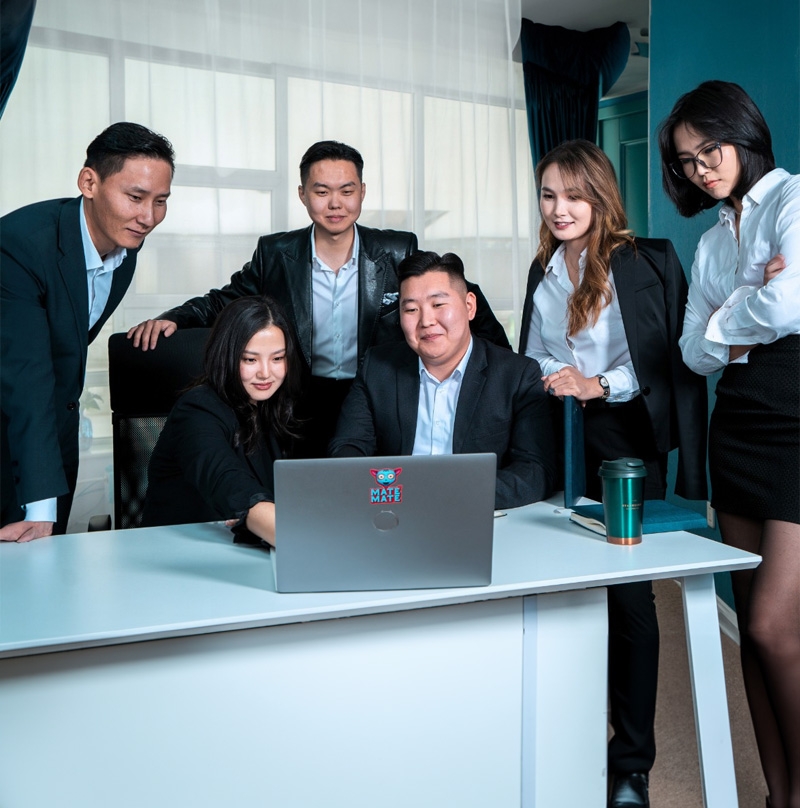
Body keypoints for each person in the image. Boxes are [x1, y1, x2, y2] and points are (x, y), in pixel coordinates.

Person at [519, 139, 707, 808]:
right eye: (549, 195)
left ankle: (631, 765)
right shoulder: (544, 268)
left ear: (599, 197)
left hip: (627, 441)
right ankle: (569, 742)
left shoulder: (646, 260)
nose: (559, 208)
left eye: (573, 195)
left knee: (629, 601)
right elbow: (534, 354)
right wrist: (559, 377)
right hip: (562, 440)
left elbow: (661, 360)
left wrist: (597, 384)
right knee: (564, 590)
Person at [128, 140, 509, 456]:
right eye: (322, 192)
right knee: (311, 491)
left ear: (362, 192)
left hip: (377, 395)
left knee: (375, 488)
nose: (335, 204)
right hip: (303, 399)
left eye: (347, 191)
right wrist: (175, 317)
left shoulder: (396, 250)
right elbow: (225, 300)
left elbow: (459, 296)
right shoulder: (276, 254)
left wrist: (506, 368)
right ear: (303, 195)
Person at [658, 80, 799, 808]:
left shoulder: (794, 199)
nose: (701, 168)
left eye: (710, 149)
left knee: (775, 627)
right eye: (687, 161)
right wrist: (749, 309)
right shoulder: (712, 241)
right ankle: (779, 795)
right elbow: (691, 353)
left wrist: (728, 319)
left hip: (795, 416)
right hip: (736, 425)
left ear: (743, 134)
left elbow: (792, 302)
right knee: (748, 622)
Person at [1, 122, 175, 541]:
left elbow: (68, 343)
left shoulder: (125, 246)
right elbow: (27, 378)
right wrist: (40, 504)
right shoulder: (18, 246)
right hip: (12, 434)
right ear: (89, 182)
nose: (148, 218)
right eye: (135, 197)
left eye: (160, 202)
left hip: (51, 444)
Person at [330, 251, 556, 509]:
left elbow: (536, 471)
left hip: (474, 514)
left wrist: (449, 497)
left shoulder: (516, 375)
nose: (426, 321)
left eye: (438, 305)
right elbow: (348, 448)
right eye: (411, 309)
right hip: (394, 512)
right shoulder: (378, 368)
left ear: (469, 306)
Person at [141, 296, 301, 544]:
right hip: (178, 550)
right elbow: (228, 482)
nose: (265, 373)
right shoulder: (197, 410)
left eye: (277, 358)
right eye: (250, 359)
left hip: (242, 547)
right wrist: (308, 545)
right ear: (227, 356)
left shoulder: (272, 406)